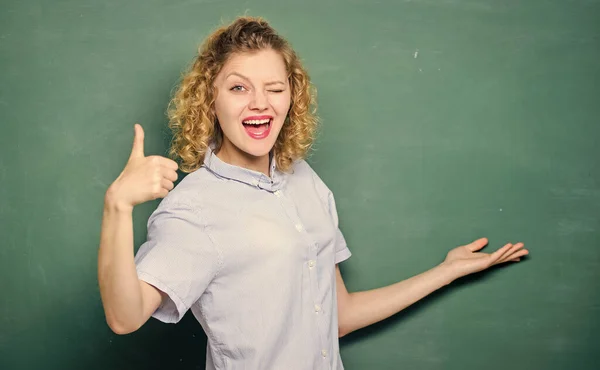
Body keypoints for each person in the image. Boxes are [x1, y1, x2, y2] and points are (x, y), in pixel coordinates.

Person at [98, 16, 529, 370]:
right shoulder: (193, 208)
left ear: (292, 97)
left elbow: (337, 315)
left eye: (274, 87)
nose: (259, 103)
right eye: (238, 87)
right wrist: (117, 207)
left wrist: (446, 270)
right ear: (209, 101)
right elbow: (125, 316)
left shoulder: (304, 180)